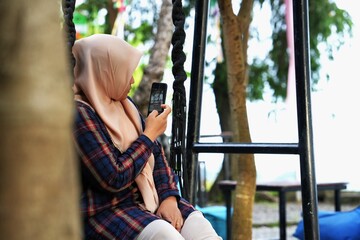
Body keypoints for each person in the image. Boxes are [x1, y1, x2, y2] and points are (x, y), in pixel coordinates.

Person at [72, 34, 222, 240]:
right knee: (168, 236)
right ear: (104, 72)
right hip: (108, 209)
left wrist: (169, 197)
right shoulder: (79, 113)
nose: (132, 80)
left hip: (150, 198)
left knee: (203, 231)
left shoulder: (125, 104)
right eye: (126, 73)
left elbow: (157, 156)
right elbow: (113, 177)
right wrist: (149, 134)